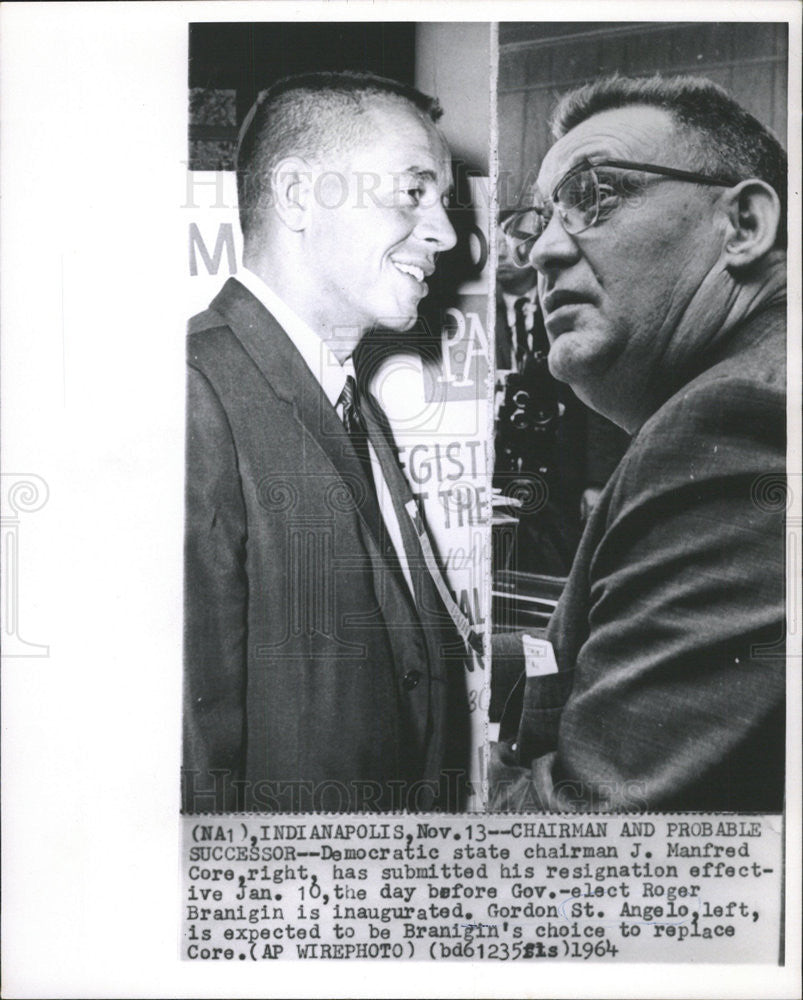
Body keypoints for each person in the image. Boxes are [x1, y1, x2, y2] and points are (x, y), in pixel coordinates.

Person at [491, 74, 787, 812]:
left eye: (595, 196)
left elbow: (588, 841)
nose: (542, 254)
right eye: (539, 222)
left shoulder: (738, 417)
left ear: (743, 225)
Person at [183, 72, 473, 813]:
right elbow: (188, 756)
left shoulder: (350, 403)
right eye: (413, 192)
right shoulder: (191, 391)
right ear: (299, 195)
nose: (446, 234)